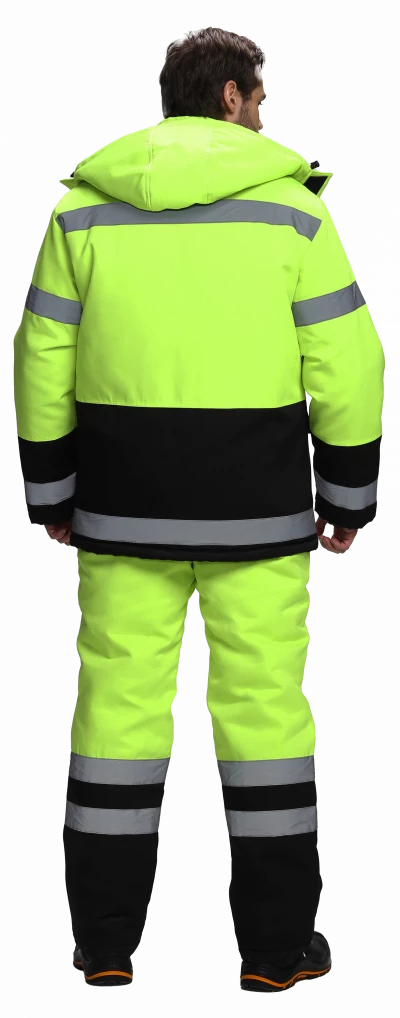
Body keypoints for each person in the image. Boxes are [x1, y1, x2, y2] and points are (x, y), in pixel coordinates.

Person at [13, 25, 384, 993]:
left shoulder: (81, 215)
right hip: (258, 518)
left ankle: (103, 946)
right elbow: (350, 363)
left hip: (121, 513)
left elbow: (40, 357)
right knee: (264, 718)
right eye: (261, 98)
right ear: (231, 97)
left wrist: (52, 491)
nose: (264, 116)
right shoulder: (294, 214)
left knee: (114, 714)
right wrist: (348, 495)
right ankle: (274, 952)